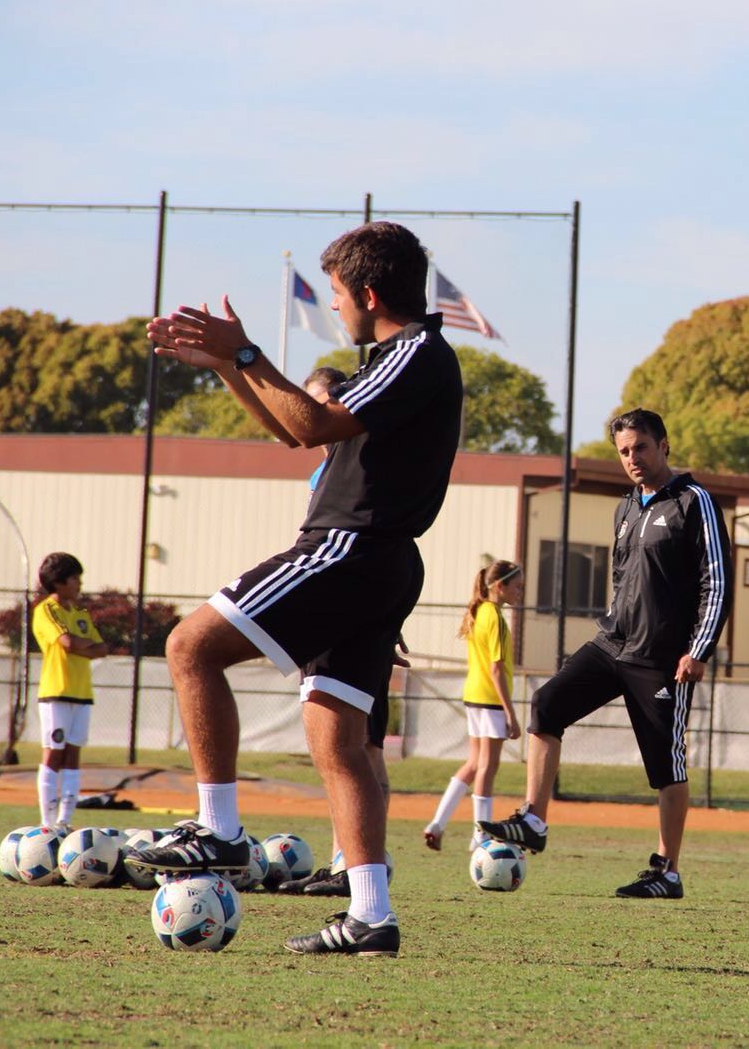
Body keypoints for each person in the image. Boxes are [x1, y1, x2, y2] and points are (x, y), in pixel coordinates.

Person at [129, 220, 462, 957]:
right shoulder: (403, 360)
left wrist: (246, 351)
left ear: (369, 294)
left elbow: (310, 422)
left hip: (350, 548)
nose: (337, 310)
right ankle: (371, 915)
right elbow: (293, 430)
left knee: (190, 646)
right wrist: (227, 363)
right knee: (338, 742)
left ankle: (218, 832)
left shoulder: (415, 354)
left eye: (340, 296)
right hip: (377, 562)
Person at [479, 408, 731, 899]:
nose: (632, 458)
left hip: (662, 660)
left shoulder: (694, 502)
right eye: (623, 451)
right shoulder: (626, 509)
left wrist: (698, 649)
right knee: (547, 704)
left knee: (667, 767)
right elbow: (623, 582)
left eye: (641, 447)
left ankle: (667, 872)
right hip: (612, 645)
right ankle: (534, 819)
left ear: (664, 447)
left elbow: (716, 582)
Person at [279, 365, 404, 899]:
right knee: (336, 745)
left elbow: (380, 551)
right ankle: (344, 862)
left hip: (356, 617)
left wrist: (389, 621)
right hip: (326, 613)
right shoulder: (323, 475)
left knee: (363, 745)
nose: (315, 412)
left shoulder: (367, 468)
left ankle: (359, 863)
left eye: (323, 401)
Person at [423, 560, 525, 851]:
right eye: (517, 587)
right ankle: (480, 835)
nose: (520, 592)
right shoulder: (494, 616)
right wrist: (510, 713)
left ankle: (437, 824)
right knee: (487, 767)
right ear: (499, 586)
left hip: (474, 696)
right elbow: (496, 669)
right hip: (491, 699)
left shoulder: (479, 611)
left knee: (473, 763)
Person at [31, 552, 108, 832]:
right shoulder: (46, 610)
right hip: (57, 693)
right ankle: (46, 824)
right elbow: (65, 642)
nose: (79, 584)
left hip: (82, 694)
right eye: (75, 578)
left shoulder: (81, 614)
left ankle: (65, 821)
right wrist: (81, 646)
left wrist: (80, 645)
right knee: (54, 754)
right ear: (59, 581)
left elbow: (102, 648)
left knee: (73, 756)